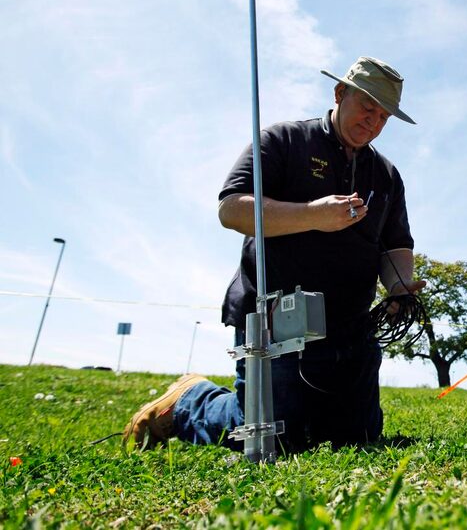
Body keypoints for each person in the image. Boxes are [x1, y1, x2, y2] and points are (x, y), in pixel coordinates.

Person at [124, 56, 425, 453]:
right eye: (367, 106)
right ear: (339, 94)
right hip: (276, 320)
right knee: (275, 437)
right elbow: (231, 208)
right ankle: (189, 402)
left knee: (357, 438)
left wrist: (400, 286)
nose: (374, 121)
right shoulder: (283, 141)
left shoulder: (386, 174)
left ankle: (315, 414)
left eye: (384, 115)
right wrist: (312, 215)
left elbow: (396, 244)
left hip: (351, 326)